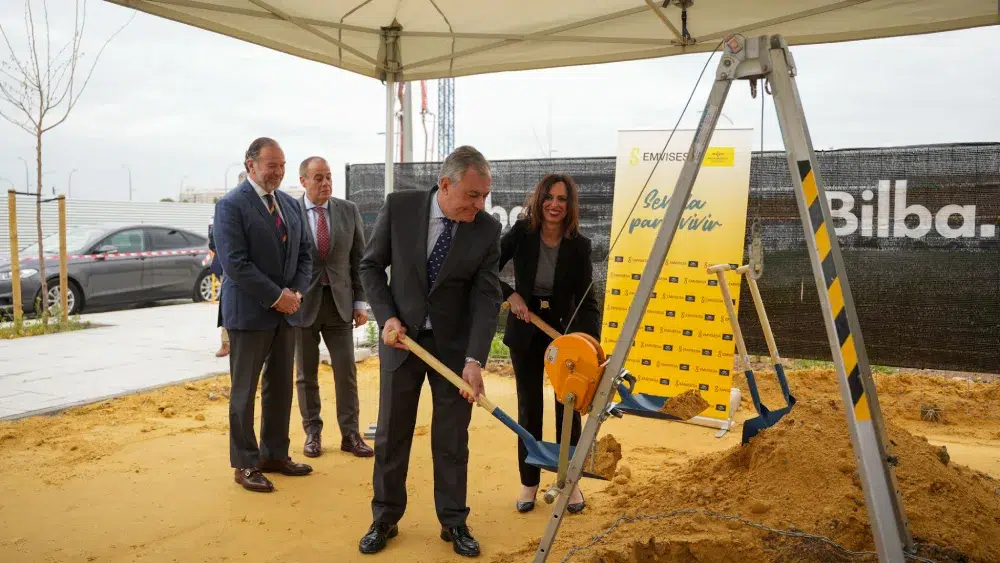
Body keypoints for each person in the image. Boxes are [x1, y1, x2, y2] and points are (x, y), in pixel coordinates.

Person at [357, 146, 502, 557]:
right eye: (472, 195)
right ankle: (384, 517)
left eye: (485, 196)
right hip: (400, 342)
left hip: (453, 352)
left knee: (452, 438)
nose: (480, 204)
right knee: (391, 435)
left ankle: (453, 521)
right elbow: (370, 266)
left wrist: (475, 359)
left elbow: (487, 298)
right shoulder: (400, 208)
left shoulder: (486, 230)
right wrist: (385, 317)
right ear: (446, 185)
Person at [213, 137, 315, 493]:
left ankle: (274, 455)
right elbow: (235, 263)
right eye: (272, 165)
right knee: (244, 391)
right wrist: (276, 297)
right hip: (249, 313)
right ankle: (244, 463)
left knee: (280, 387)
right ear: (250, 164)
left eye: (282, 165)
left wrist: (296, 293)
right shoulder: (231, 205)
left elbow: (305, 254)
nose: (278, 172)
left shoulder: (289, 204)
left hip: (287, 313)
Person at [499, 173, 602, 514]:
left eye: (562, 199)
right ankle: (529, 482)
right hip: (526, 326)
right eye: (549, 197)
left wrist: (587, 344)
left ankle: (568, 482)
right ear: (539, 199)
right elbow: (485, 270)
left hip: (564, 333)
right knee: (529, 407)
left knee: (568, 407)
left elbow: (586, 300)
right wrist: (510, 295)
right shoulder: (520, 234)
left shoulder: (579, 245)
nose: (555, 204)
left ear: (569, 205)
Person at [288, 156, 373, 459]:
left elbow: (360, 260)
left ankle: (350, 435)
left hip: (340, 304)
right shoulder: (290, 211)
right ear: (303, 181)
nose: (325, 183)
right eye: (318, 178)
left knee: (346, 372)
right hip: (302, 306)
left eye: (329, 177)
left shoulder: (347, 210)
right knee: (305, 374)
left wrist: (361, 302)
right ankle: (313, 433)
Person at [207, 222, 229, 358]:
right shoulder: (225, 210)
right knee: (227, 304)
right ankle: (226, 342)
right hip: (227, 267)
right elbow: (213, 242)